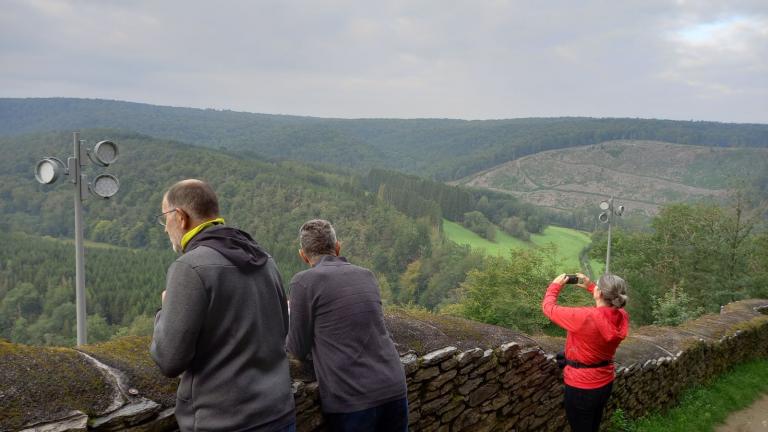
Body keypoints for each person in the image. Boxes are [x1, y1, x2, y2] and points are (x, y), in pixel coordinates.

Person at [150, 179, 296, 432]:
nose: (165, 229)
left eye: (165, 219)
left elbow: (169, 360)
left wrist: (164, 313)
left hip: (224, 420)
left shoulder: (190, 267)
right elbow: (282, 329)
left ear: (181, 217)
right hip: (278, 413)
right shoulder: (265, 259)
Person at [286, 219, 408, 432]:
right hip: (393, 385)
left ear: (303, 255)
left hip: (352, 397)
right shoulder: (366, 275)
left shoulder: (303, 282)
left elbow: (297, 348)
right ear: (337, 247)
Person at [541, 273, 629, 432]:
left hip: (581, 386)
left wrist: (554, 286)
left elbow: (549, 309)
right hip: (605, 381)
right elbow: (608, 305)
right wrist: (591, 287)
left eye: (596, 286)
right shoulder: (622, 316)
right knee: (592, 424)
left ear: (600, 293)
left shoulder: (584, 317)